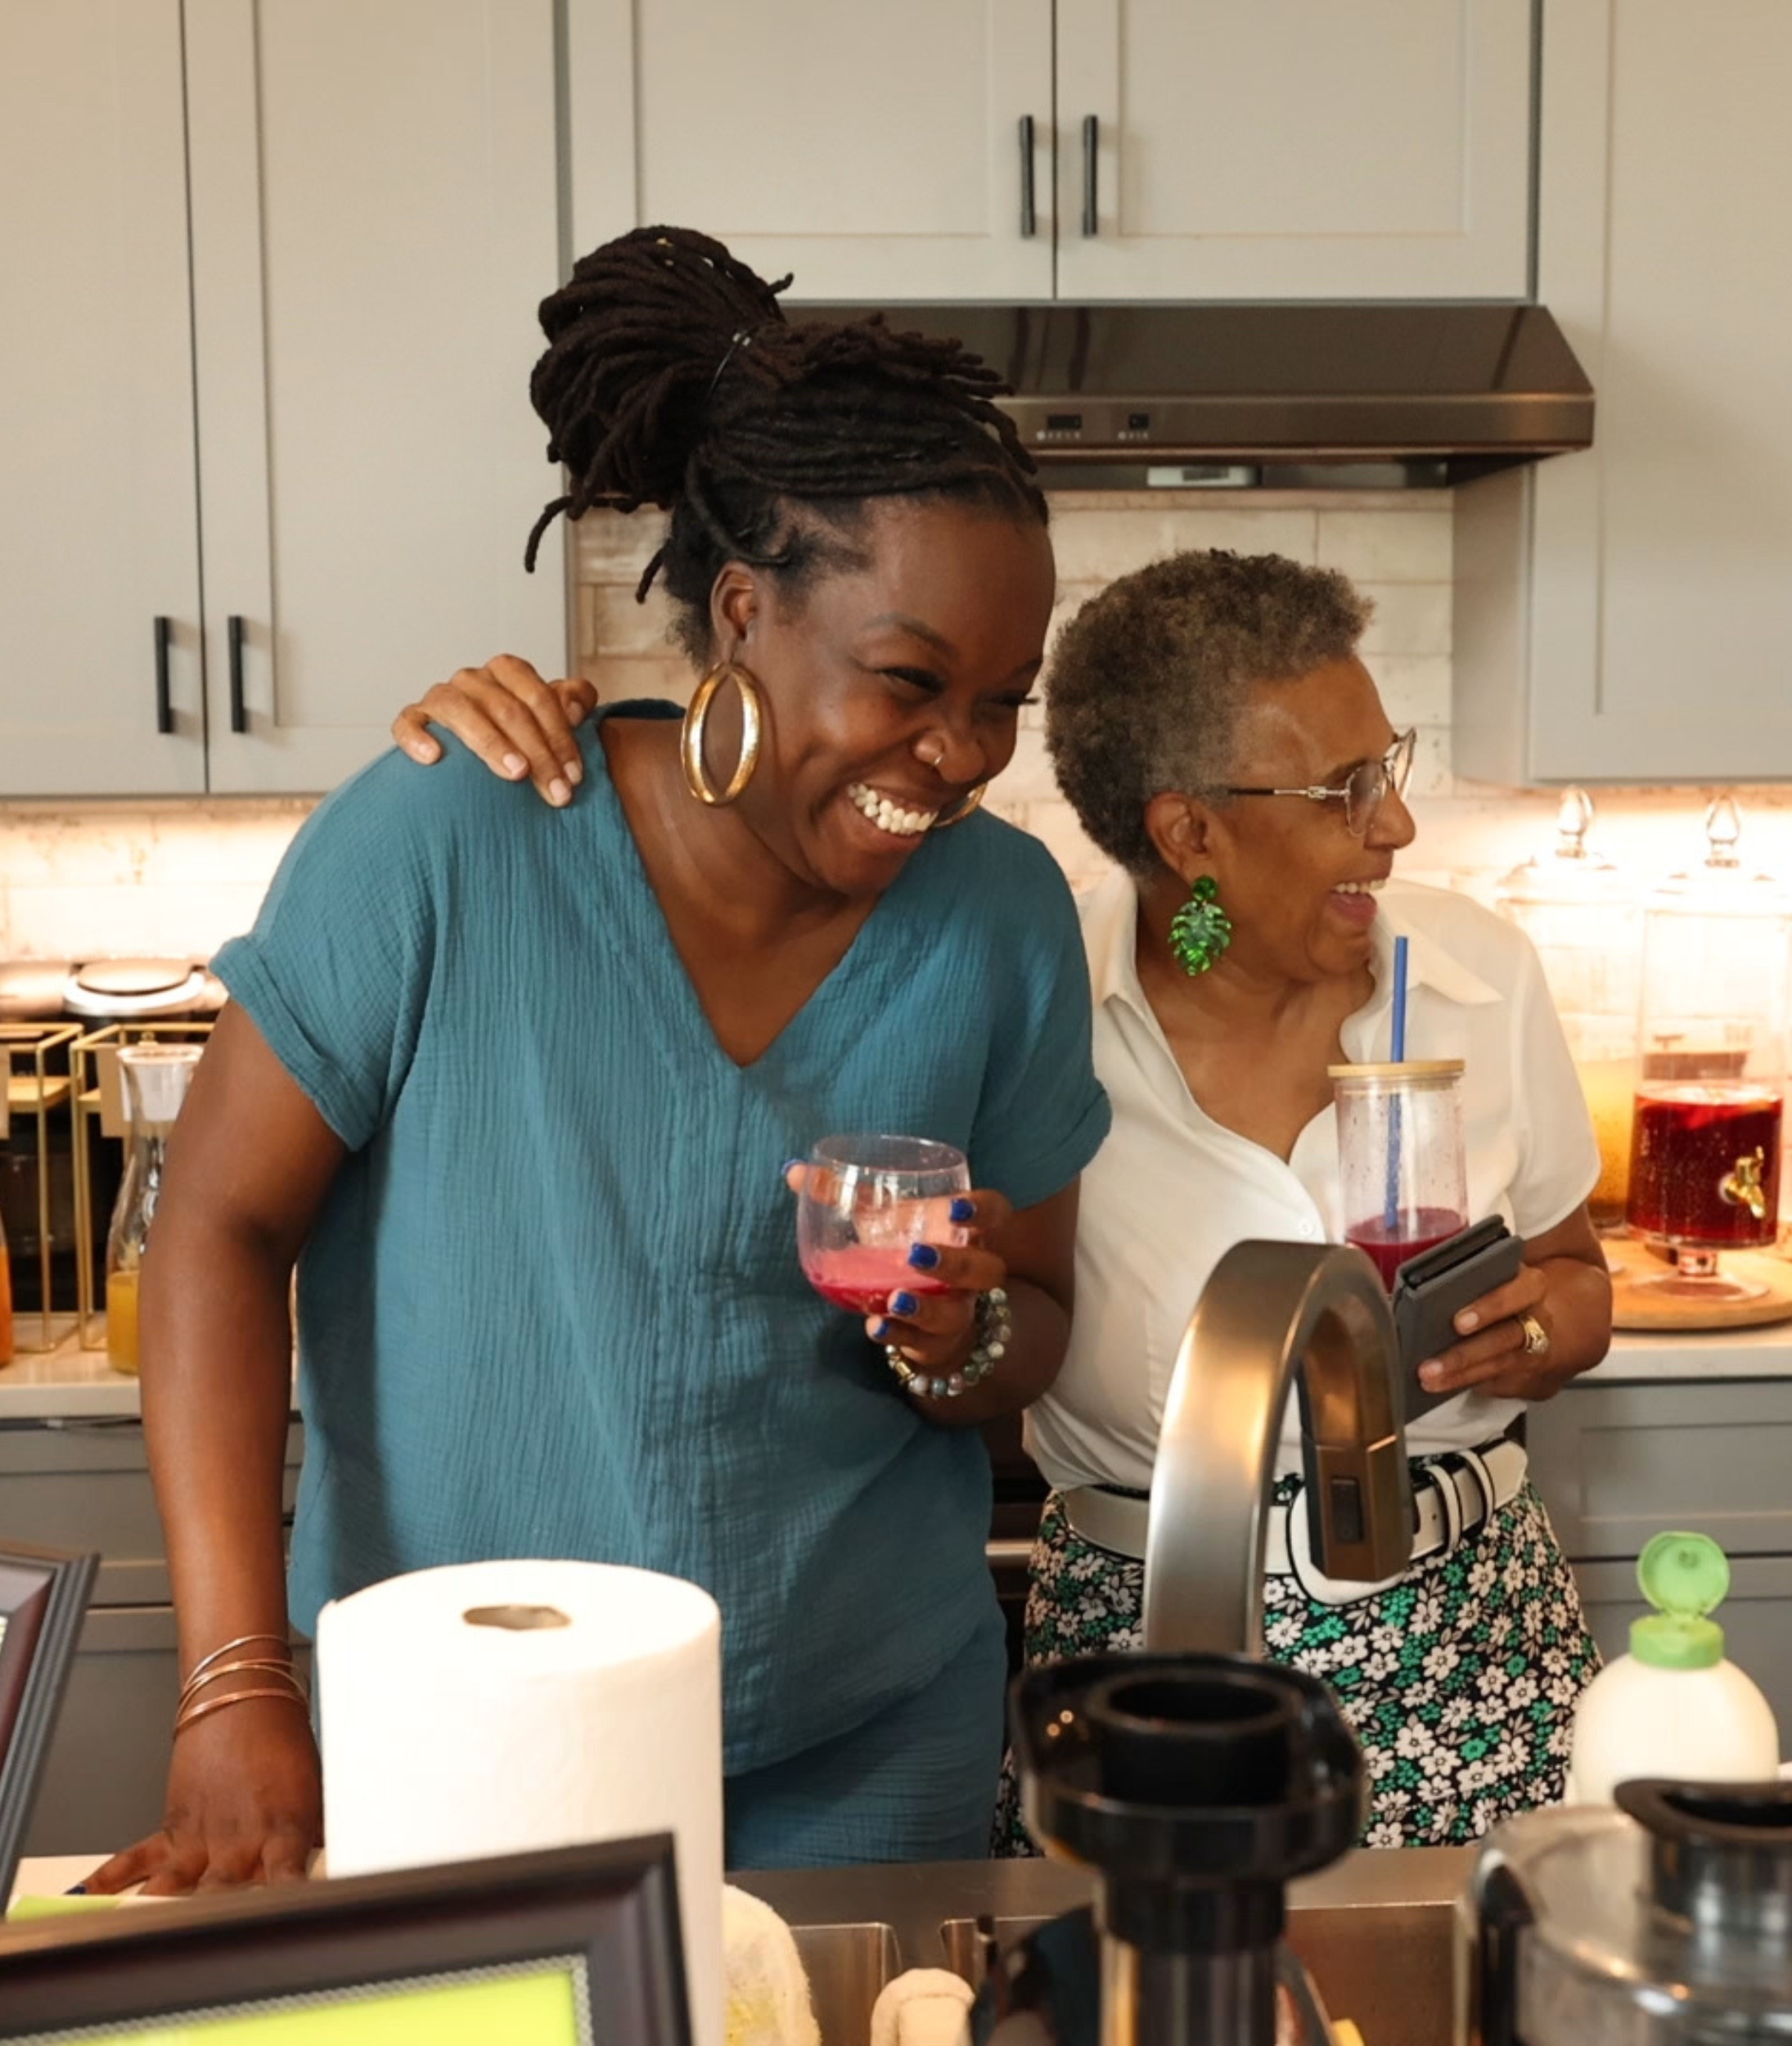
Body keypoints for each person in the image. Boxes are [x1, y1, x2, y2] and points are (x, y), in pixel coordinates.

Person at [88, 227, 1108, 1895]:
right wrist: (238, 1671)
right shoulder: (452, 831)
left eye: (1004, 698)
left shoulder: (1000, 916)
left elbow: (1035, 1320)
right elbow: (214, 1225)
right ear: (739, 610)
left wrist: (961, 1323)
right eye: (910, 680)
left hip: (866, 1738)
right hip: (468, 1731)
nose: (961, 753)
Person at [408, 548, 1614, 1851]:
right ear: (1188, 831)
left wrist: (1543, 1330)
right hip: (1148, 1664)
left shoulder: (1477, 974)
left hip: (1477, 1647)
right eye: (1346, 789)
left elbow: (1579, 1277)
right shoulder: (1035, 1004)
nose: (1396, 825)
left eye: (1390, 767)